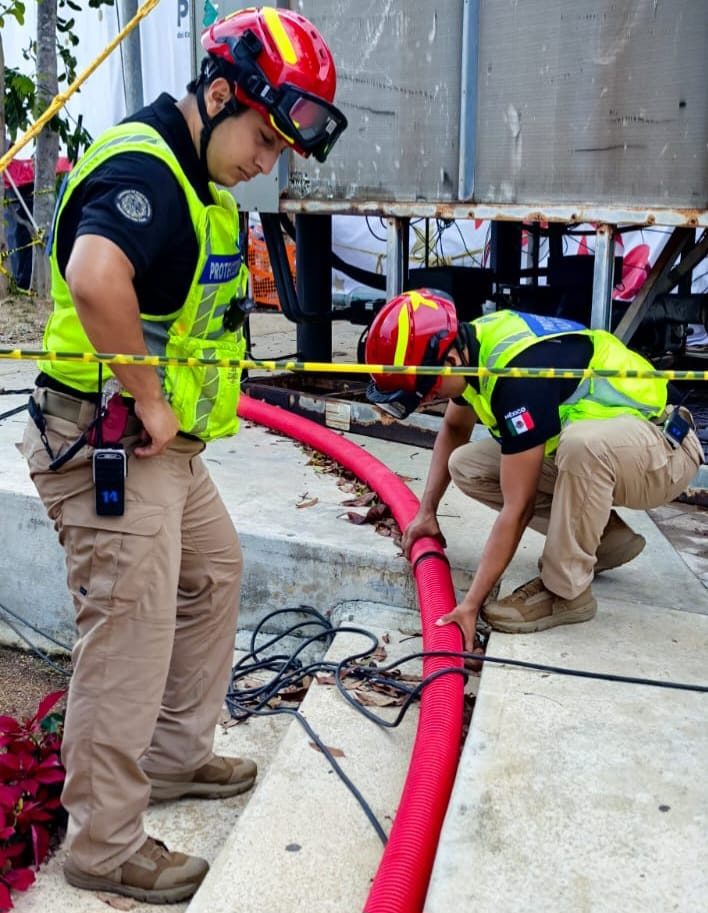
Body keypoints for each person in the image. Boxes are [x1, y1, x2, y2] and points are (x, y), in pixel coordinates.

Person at [19, 7, 346, 905]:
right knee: (128, 631)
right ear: (216, 93)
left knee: (214, 574)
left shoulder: (194, 178)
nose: (266, 161)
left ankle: (172, 757)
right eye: (265, 137)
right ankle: (105, 843)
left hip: (161, 448)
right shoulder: (146, 168)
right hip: (106, 442)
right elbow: (93, 276)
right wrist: (152, 397)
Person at [364, 289, 703, 651]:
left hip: (664, 450)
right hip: (620, 450)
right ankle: (606, 540)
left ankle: (566, 592)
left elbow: (518, 506)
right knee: (467, 465)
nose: (429, 400)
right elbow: (454, 429)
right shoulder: (473, 346)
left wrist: (470, 606)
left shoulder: (517, 375)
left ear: (448, 360)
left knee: (581, 446)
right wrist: (426, 512)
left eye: (427, 392)